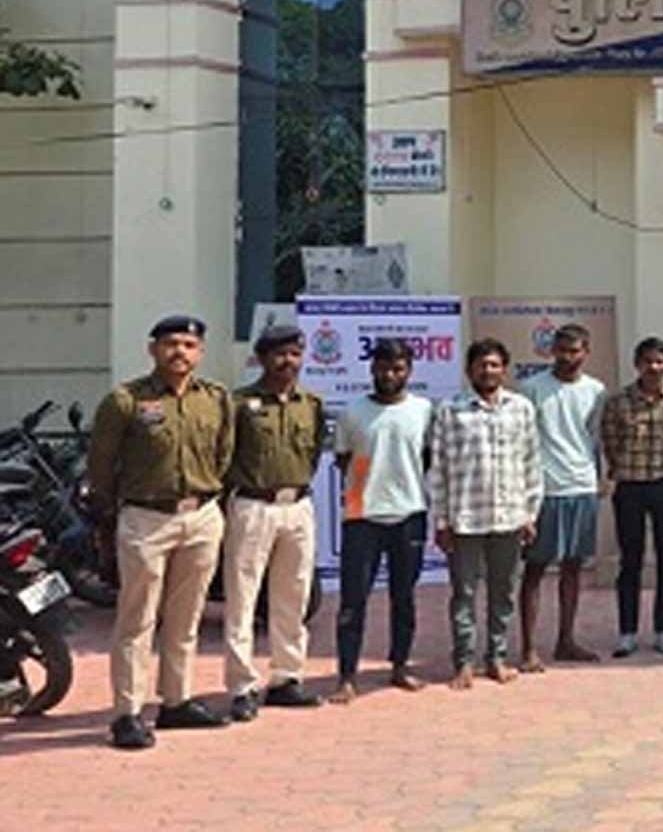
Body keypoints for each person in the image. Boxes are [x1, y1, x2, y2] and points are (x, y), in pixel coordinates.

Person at [88, 315, 234, 750]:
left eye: (189, 344)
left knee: (187, 615)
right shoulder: (126, 401)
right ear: (153, 350)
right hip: (146, 518)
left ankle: (176, 700)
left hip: (201, 515)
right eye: (170, 344)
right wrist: (107, 513)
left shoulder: (216, 399)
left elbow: (224, 455)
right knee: (137, 618)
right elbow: (101, 462)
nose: (179, 352)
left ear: (200, 352)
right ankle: (127, 713)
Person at [223, 325, 325, 722]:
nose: (288, 362)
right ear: (262, 358)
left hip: (297, 504)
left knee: (293, 595)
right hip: (253, 504)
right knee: (243, 598)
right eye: (279, 354)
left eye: (295, 354)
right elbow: (224, 456)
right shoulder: (239, 403)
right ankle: (241, 685)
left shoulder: (310, 404)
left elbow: (313, 453)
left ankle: (287, 677)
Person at [431, 338, 542, 689]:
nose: (488, 370)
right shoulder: (450, 410)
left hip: (510, 517)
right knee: (463, 594)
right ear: (469, 370)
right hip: (465, 517)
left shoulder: (521, 408)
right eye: (481, 364)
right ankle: (464, 661)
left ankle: (496, 657)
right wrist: (442, 520)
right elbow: (438, 469)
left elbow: (532, 463)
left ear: (504, 370)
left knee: (503, 593)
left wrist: (530, 513)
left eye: (494, 364)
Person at [331, 339, 433, 704]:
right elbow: (343, 460)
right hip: (362, 518)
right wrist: (365, 490)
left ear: (409, 371)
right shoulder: (352, 412)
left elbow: (426, 458)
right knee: (353, 600)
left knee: (403, 597)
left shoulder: (423, 410)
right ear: (372, 368)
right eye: (383, 367)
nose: (390, 374)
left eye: (398, 368)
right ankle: (346, 676)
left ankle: (399, 666)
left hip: (409, 515)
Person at [518, 324, 605, 671]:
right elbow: (523, 441)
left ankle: (566, 640)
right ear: (551, 350)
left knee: (573, 567)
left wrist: (601, 478)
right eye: (563, 350)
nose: (569, 357)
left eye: (576, 351)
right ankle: (528, 648)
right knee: (535, 568)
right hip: (545, 490)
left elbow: (595, 437)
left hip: (582, 486)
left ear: (587, 352)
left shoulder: (596, 390)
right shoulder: (531, 388)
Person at [601, 337, 663, 658]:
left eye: (659, 361)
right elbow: (610, 442)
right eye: (647, 361)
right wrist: (621, 469)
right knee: (630, 560)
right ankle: (627, 632)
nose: (653, 367)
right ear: (636, 364)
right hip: (630, 486)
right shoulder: (618, 401)